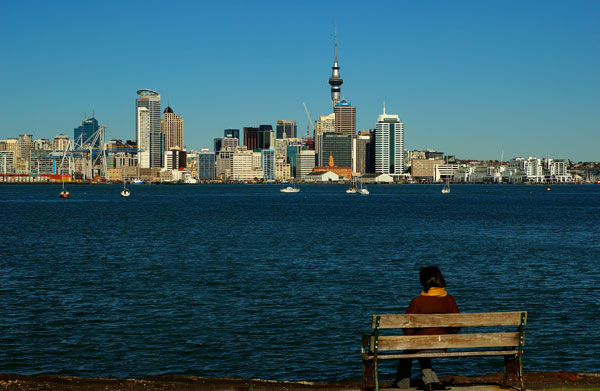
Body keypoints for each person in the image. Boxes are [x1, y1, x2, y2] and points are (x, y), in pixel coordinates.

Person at [395, 266, 460, 391]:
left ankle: (402, 384)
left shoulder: (417, 301)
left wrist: (417, 333)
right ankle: (430, 380)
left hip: (420, 344)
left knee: (412, 348)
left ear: (424, 281)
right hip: (442, 344)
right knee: (421, 346)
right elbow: (456, 327)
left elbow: (407, 329)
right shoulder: (450, 300)